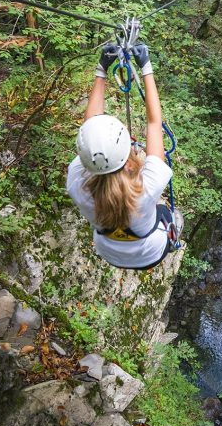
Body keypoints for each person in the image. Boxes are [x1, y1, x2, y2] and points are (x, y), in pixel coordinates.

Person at [66, 42, 181, 270]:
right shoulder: (146, 187)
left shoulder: (77, 184)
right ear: (127, 152)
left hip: (108, 252)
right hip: (151, 253)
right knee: (168, 214)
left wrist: (101, 70)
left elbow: (91, 130)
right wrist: (145, 67)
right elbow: (153, 122)